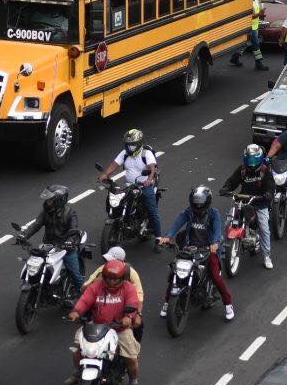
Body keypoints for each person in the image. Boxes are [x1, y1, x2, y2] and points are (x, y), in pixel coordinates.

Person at [67, 258, 145, 385]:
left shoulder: (129, 288)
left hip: (119, 328)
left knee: (131, 359)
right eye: (108, 279)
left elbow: (133, 304)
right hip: (96, 325)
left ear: (122, 278)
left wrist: (128, 317)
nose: (111, 282)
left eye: (115, 279)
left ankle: (134, 383)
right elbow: (85, 300)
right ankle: (78, 372)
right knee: (77, 347)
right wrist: (76, 312)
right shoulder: (96, 286)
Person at [156, 186, 234, 321]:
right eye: (196, 202)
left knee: (216, 276)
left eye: (201, 203)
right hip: (189, 249)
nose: (198, 205)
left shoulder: (213, 213)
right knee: (175, 272)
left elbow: (217, 229)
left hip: (207, 249)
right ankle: (167, 302)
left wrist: (215, 243)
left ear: (207, 201)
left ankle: (228, 304)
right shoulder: (189, 211)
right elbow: (178, 222)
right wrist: (168, 237)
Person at [18, 184, 84, 293]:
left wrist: (70, 242)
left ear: (59, 200)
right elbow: (36, 225)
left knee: (76, 275)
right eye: (47, 199)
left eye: (50, 199)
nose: (47, 201)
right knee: (36, 266)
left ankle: (84, 301)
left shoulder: (70, 213)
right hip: (48, 246)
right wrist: (23, 235)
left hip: (65, 248)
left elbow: (74, 231)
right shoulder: (45, 212)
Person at [219, 144, 275, 270]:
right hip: (243, 201)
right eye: (250, 160)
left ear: (260, 159)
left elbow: (271, 186)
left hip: (260, 203)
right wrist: (226, 188)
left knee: (264, 229)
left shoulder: (265, 171)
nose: (252, 163)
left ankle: (267, 256)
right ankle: (224, 249)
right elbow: (232, 181)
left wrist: (268, 194)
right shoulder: (242, 170)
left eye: (255, 160)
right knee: (228, 222)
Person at [98, 128, 162, 239]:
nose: (129, 148)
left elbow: (153, 168)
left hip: (144, 186)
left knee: (153, 211)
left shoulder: (146, 154)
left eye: (132, 145)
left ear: (139, 144)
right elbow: (114, 164)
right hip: (130, 186)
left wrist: (148, 180)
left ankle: (158, 238)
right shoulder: (125, 153)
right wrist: (105, 174)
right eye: (128, 145)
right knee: (120, 201)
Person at [230, 0, 269, 70]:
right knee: (256, 45)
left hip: (254, 26)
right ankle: (258, 64)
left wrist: (261, 14)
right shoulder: (247, 3)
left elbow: (257, 13)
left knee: (245, 43)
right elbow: (249, 16)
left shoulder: (257, 0)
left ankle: (235, 58)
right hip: (249, 26)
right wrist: (259, 14)